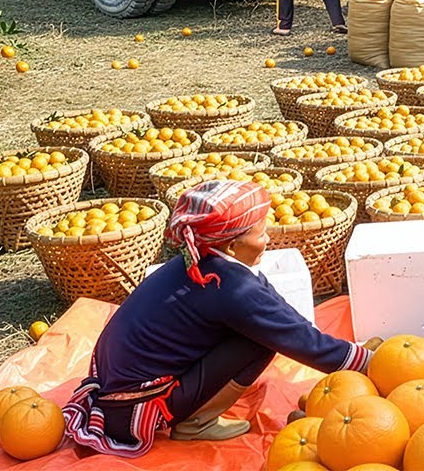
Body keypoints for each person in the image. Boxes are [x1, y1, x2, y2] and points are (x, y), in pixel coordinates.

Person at [63, 181, 373, 457]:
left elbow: (275, 310)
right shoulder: (228, 287)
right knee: (257, 343)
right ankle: (196, 423)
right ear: (231, 245)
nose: (268, 238)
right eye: (261, 232)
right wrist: (369, 363)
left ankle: (194, 410)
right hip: (132, 407)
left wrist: (354, 351)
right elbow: (298, 339)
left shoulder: (202, 260)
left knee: (261, 329)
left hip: (116, 386)